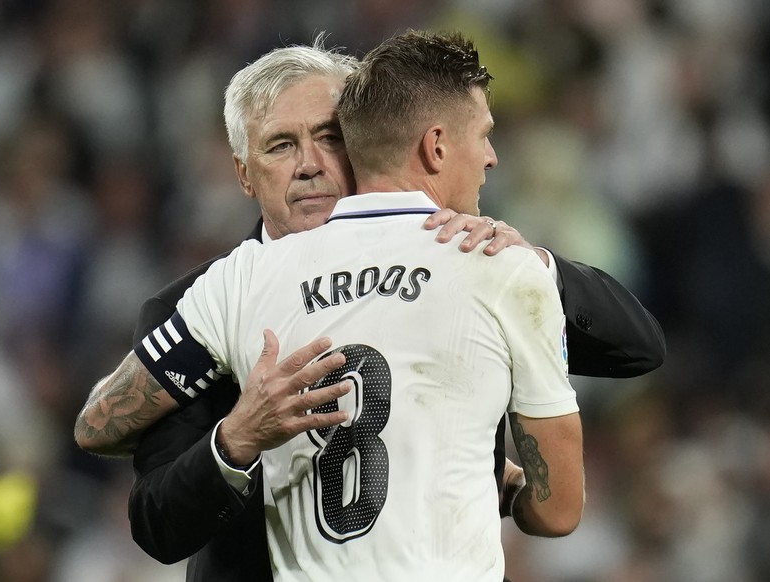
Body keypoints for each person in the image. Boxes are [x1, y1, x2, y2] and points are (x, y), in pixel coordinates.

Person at [74, 35, 665, 582]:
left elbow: (636, 346)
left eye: (329, 136)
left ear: (362, 138)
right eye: (282, 145)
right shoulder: (205, 301)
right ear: (243, 173)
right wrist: (234, 440)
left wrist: (534, 258)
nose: (310, 164)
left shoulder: (467, 253)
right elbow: (156, 524)